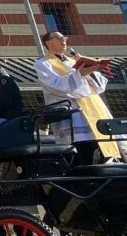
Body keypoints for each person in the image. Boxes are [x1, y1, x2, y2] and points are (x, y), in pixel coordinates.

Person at [34, 31, 120, 167]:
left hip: (95, 110)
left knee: (104, 154)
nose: (64, 40)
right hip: (74, 115)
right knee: (81, 157)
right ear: (48, 43)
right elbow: (55, 86)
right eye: (60, 38)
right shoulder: (43, 63)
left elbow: (98, 87)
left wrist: (92, 68)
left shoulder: (74, 60)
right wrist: (79, 73)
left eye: (65, 38)